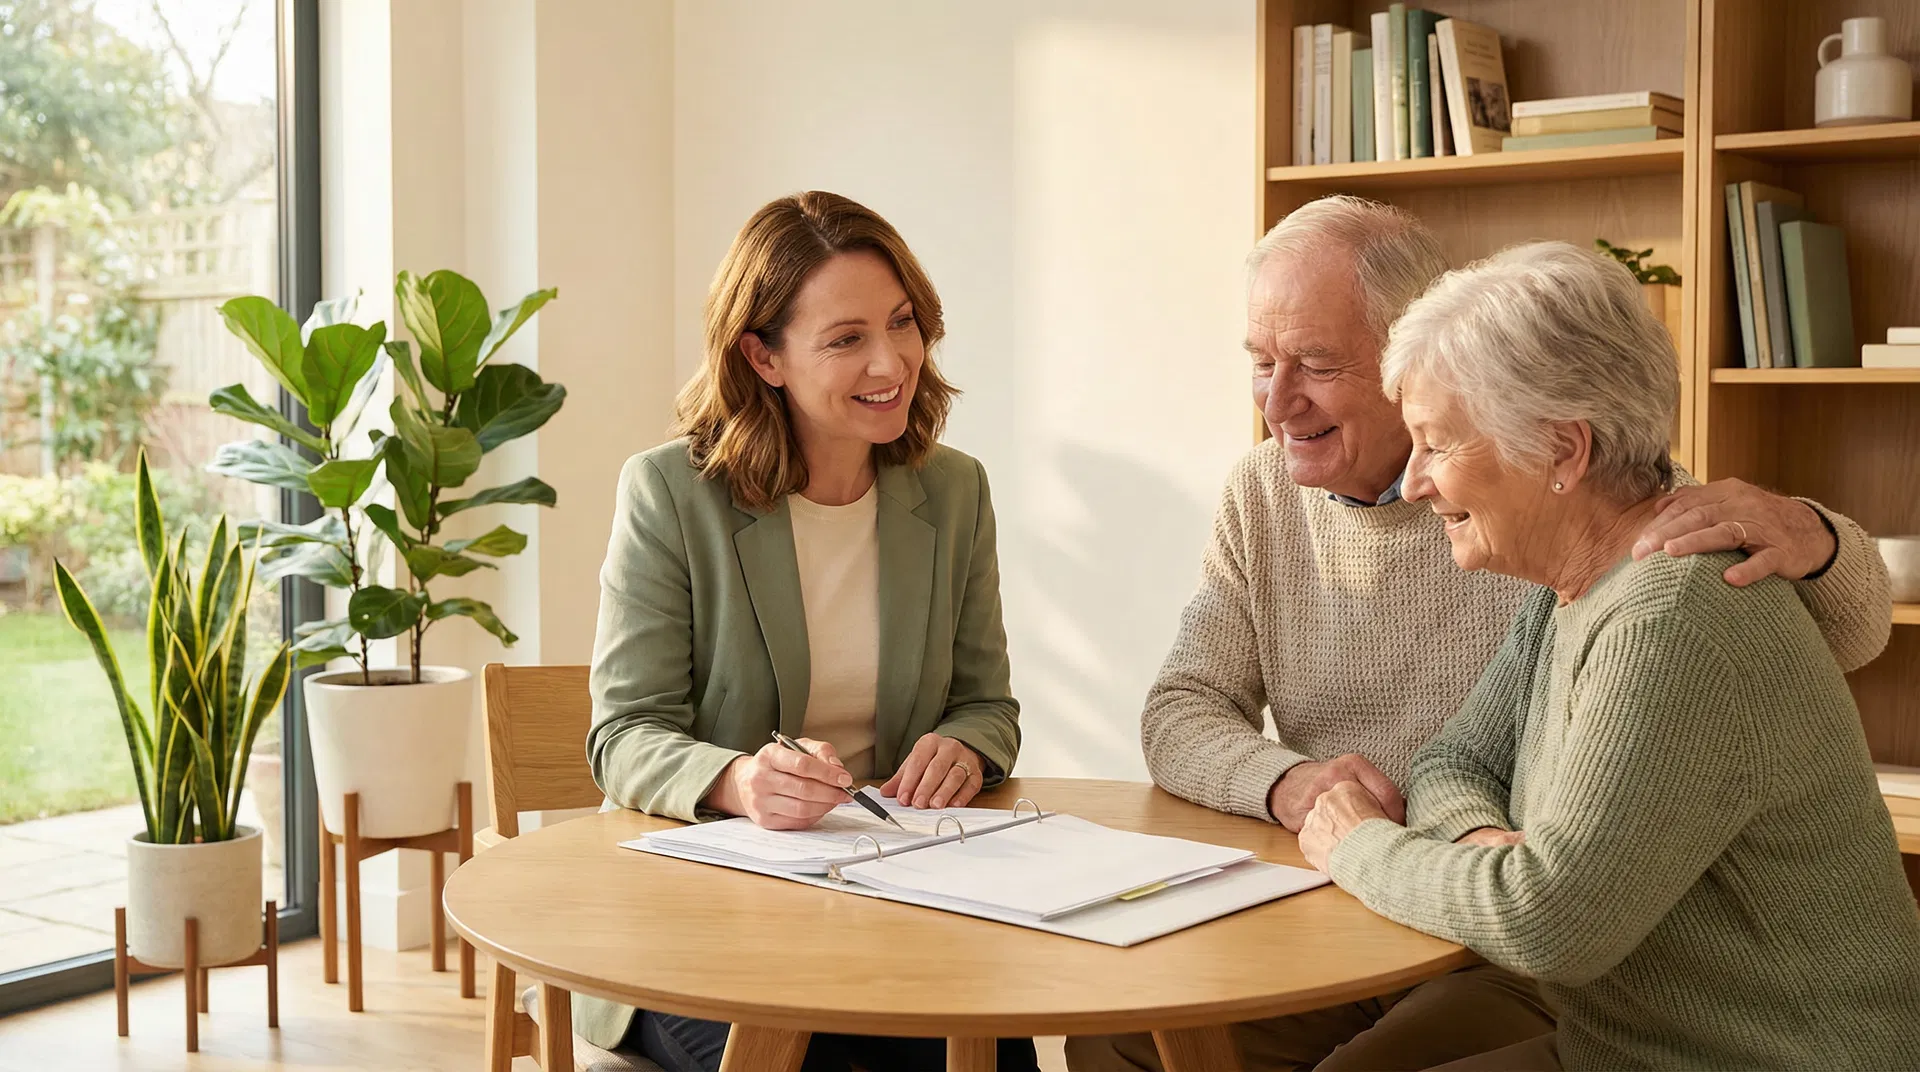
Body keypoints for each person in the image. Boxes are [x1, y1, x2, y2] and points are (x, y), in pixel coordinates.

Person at [1065, 197, 1892, 1072]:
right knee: (1125, 1037)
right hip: (1402, 896)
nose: (1277, 401)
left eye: (1316, 363)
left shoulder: (1644, 553)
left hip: (1544, 964)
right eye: (1262, 363)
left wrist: (1816, 536)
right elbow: (1447, 763)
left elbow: (1548, 916)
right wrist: (1366, 812)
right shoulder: (1558, 571)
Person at [1298, 240, 1920, 1070]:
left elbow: (1545, 926)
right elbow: (1452, 761)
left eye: (1437, 445)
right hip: (1616, 1041)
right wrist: (1483, 843)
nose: (1412, 484)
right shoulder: (1568, 587)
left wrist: (1357, 845)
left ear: (1564, 451)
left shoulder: (1672, 618)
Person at [579, 191, 1038, 1072]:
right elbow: (623, 735)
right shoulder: (670, 494)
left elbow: (987, 704)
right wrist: (739, 781)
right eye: (845, 338)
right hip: (696, 916)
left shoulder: (954, 491)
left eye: (902, 322)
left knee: (994, 1054)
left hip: (895, 899)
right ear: (764, 356)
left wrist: (965, 748)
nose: (891, 361)